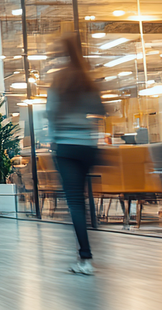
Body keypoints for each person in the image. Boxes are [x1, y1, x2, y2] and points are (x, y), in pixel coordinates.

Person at [47, 33, 106, 276]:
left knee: (75, 204)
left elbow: (51, 113)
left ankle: (85, 258)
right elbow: (100, 111)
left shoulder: (59, 80)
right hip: (87, 147)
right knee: (83, 200)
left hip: (67, 147)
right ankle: (87, 252)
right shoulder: (87, 79)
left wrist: (54, 141)